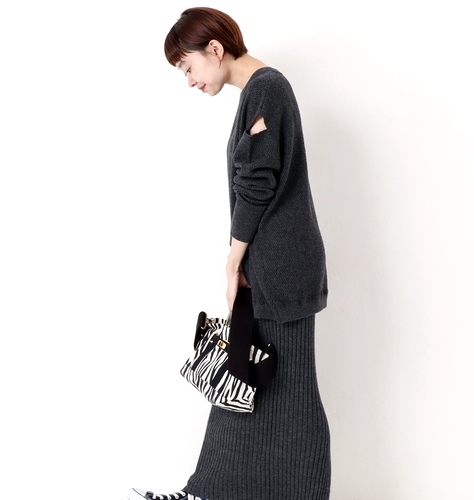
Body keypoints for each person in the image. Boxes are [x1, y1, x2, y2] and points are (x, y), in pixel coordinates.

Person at [129, 7, 331, 500]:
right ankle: (208, 490)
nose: (190, 80)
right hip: (273, 264)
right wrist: (241, 260)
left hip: (282, 266)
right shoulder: (258, 93)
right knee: (243, 379)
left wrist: (232, 260)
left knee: (292, 392)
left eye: (188, 67)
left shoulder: (267, 88)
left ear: (215, 49)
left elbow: (257, 182)